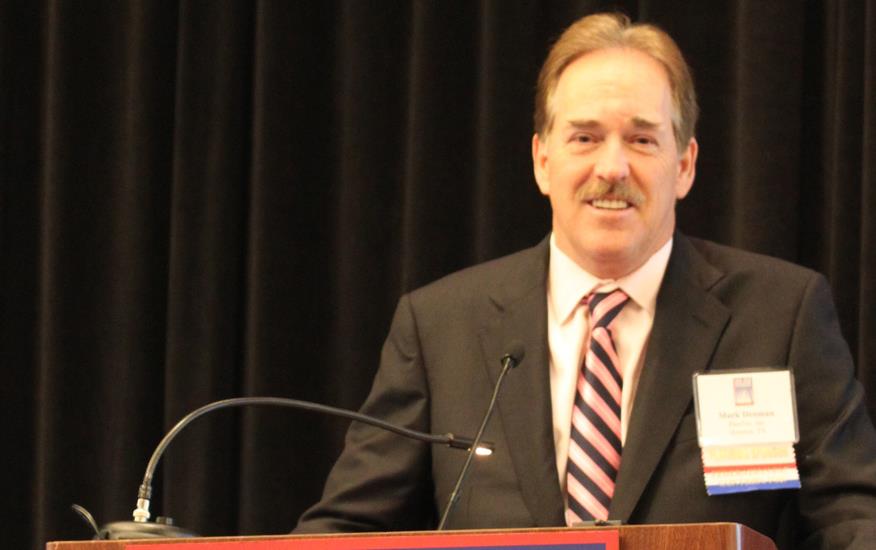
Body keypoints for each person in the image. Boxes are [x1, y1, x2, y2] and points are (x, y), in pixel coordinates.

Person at [295, 12, 876, 548]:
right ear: (542, 160)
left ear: (685, 165)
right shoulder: (441, 324)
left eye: (643, 139)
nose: (612, 167)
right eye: (585, 137)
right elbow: (350, 528)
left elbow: (856, 518)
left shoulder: (782, 314)